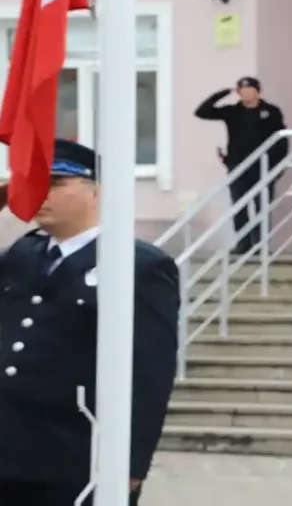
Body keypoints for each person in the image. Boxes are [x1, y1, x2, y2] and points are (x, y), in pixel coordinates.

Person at [0, 139, 180, 505]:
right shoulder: (21, 253)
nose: (40, 194)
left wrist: (131, 464)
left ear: (95, 191)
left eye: (55, 184)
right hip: (8, 448)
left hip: (74, 457)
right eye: (33, 184)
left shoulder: (138, 265)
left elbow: (151, 370)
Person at [195, 76, 288, 255]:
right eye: (241, 90)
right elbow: (202, 112)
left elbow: (281, 140)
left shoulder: (271, 111)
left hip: (263, 167)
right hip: (238, 166)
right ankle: (243, 243)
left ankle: (261, 244)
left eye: (249, 89)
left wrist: (277, 167)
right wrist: (222, 93)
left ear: (258, 91)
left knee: (262, 207)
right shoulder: (232, 111)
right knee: (239, 206)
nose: (246, 93)